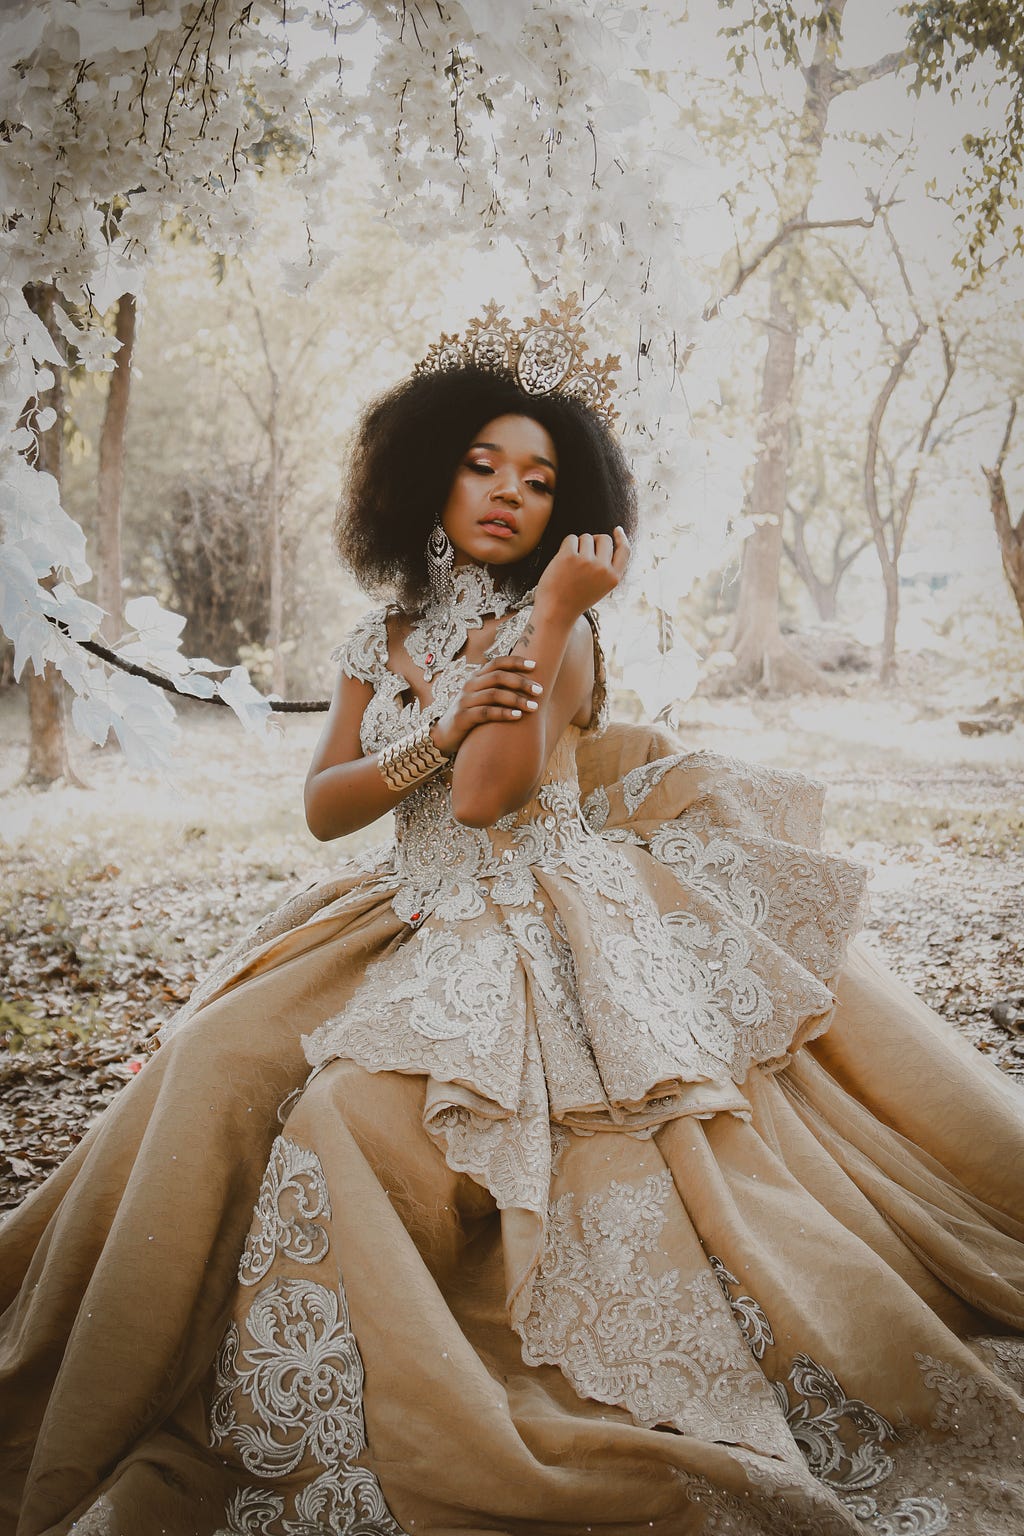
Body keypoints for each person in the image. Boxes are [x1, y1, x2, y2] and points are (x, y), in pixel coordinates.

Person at [1, 300, 1023, 1536]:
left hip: (530, 916)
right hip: (397, 908)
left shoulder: (565, 631)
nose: (503, 493)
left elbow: (486, 803)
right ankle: (128, 1339)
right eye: (480, 464)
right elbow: (326, 808)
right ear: (426, 475)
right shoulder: (378, 634)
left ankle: (420, 1346)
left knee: (347, 1119)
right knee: (213, 1056)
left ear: (568, 512)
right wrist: (435, 718)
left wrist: (541, 623)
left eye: (538, 481)